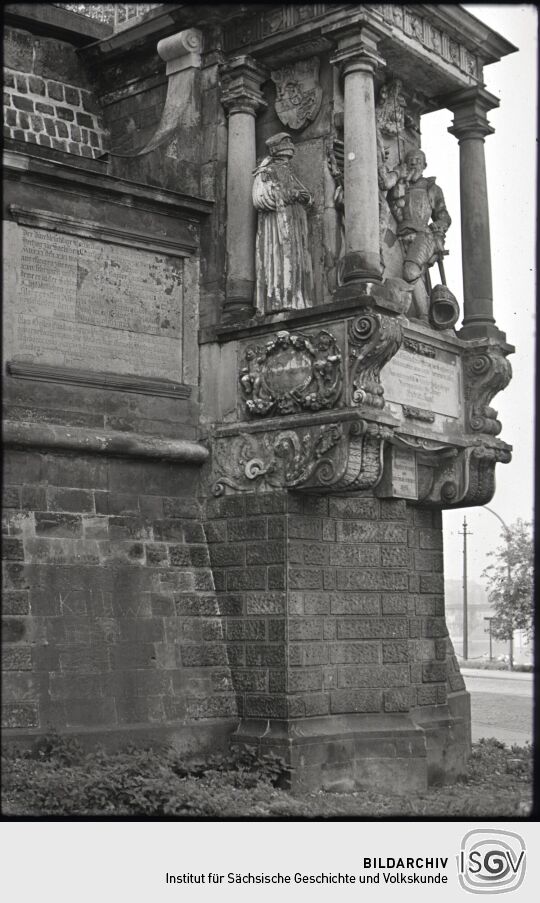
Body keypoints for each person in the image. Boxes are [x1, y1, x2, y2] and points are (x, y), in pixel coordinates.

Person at [252, 132, 314, 312]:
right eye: (286, 143)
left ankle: (295, 298)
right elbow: (261, 198)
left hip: (294, 220)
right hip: (278, 222)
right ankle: (281, 299)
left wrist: (306, 197)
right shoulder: (267, 171)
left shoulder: (288, 171)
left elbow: (304, 193)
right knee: (280, 257)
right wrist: (293, 195)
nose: (290, 146)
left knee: (294, 257)